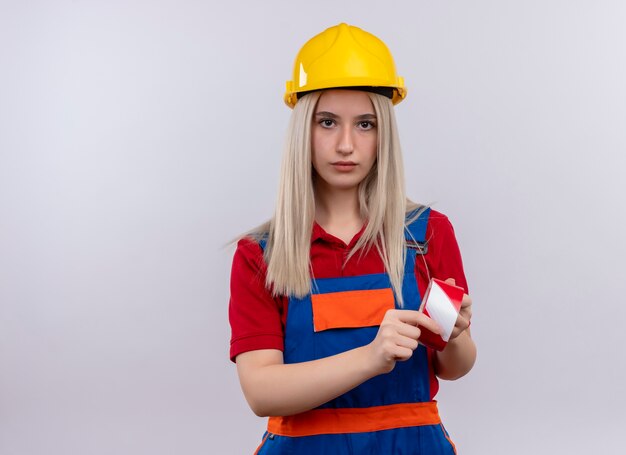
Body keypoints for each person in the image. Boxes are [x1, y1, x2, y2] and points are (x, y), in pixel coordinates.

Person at [228, 23, 476, 454]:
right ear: (303, 130)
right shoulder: (262, 255)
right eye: (328, 123)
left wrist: (455, 336)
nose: (346, 144)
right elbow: (261, 391)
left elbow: (454, 367)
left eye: (365, 124)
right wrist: (370, 357)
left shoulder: (427, 233)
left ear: (385, 136)